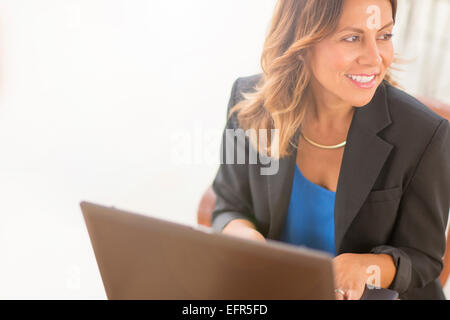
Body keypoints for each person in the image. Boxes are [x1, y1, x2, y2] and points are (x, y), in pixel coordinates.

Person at [211, 0, 450, 300]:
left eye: (384, 36)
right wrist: (245, 238)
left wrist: (366, 267)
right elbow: (228, 205)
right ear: (302, 40)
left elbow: (423, 258)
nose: (375, 59)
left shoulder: (424, 135)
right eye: (352, 37)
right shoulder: (251, 104)